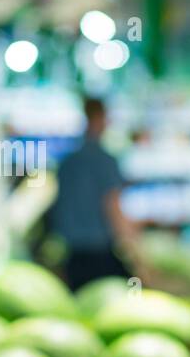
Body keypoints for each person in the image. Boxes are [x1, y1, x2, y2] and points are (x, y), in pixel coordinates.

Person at [51, 97, 138, 289]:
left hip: (72, 255)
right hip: (101, 255)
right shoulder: (105, 161)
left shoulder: (67, 163)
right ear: (101, 118)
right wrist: (135, 251)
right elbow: (112, 206)